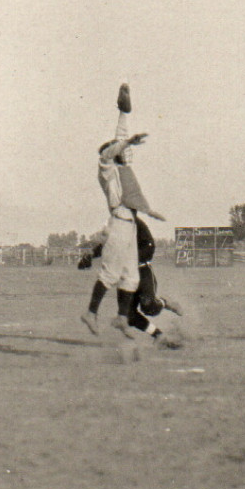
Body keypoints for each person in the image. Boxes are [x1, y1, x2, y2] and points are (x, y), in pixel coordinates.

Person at [83, 83, 165, 338]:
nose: (126, 153)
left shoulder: (121, 168)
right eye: (123, 151)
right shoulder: (106, 168)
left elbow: (120, 139)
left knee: (131, 277)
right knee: (109, 273)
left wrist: (124, 113)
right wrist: (127, 141)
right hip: (118, 222)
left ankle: (121, 318)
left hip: (129, 225)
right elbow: (114, 147)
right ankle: (91, 312)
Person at [79, 214, 185, 347]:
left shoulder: (135, 223)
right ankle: (158, 335)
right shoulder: (116, 226)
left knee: (149, 306)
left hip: (142, 271)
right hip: (126, 277)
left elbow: (150, 246)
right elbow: (109, 246)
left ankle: (165, 302)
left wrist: (131, 259)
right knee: (128, 315)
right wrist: (91, 255)